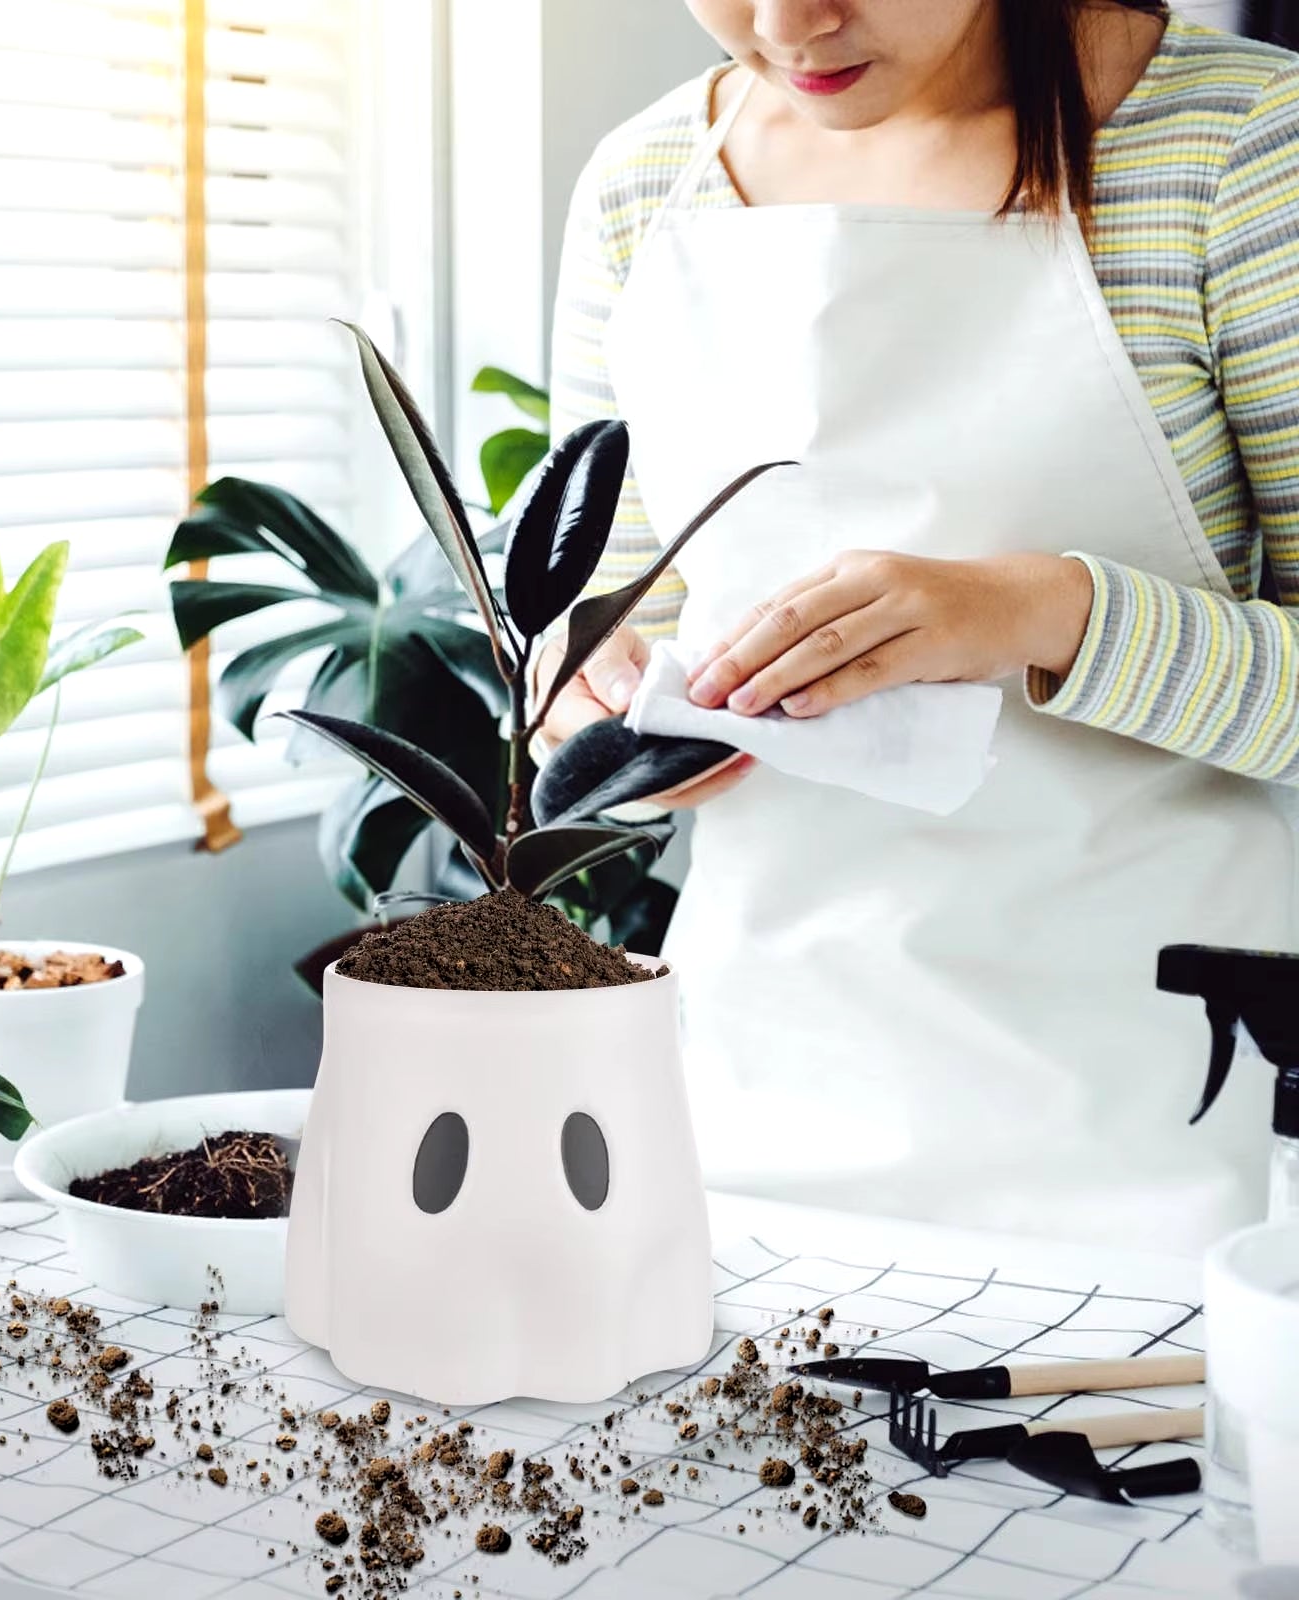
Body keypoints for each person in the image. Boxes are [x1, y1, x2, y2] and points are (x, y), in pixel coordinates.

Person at [537, 0, 1299, 1249]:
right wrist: (590, 694)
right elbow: (598, 619)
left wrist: (1043, 613)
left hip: (1157, 1118)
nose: (786, 21)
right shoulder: (644, 191)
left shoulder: (1235, 150)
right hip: (746, 1096)